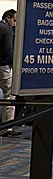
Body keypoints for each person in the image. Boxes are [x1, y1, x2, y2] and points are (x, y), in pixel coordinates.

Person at [0, 9, 22, 137]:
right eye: (14, 20)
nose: (14, 23)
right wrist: (14, 64)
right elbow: (9, 49)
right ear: (7, 18)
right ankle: (6, 128)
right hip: (4, 67)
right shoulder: (7, 30)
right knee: (9, 95)